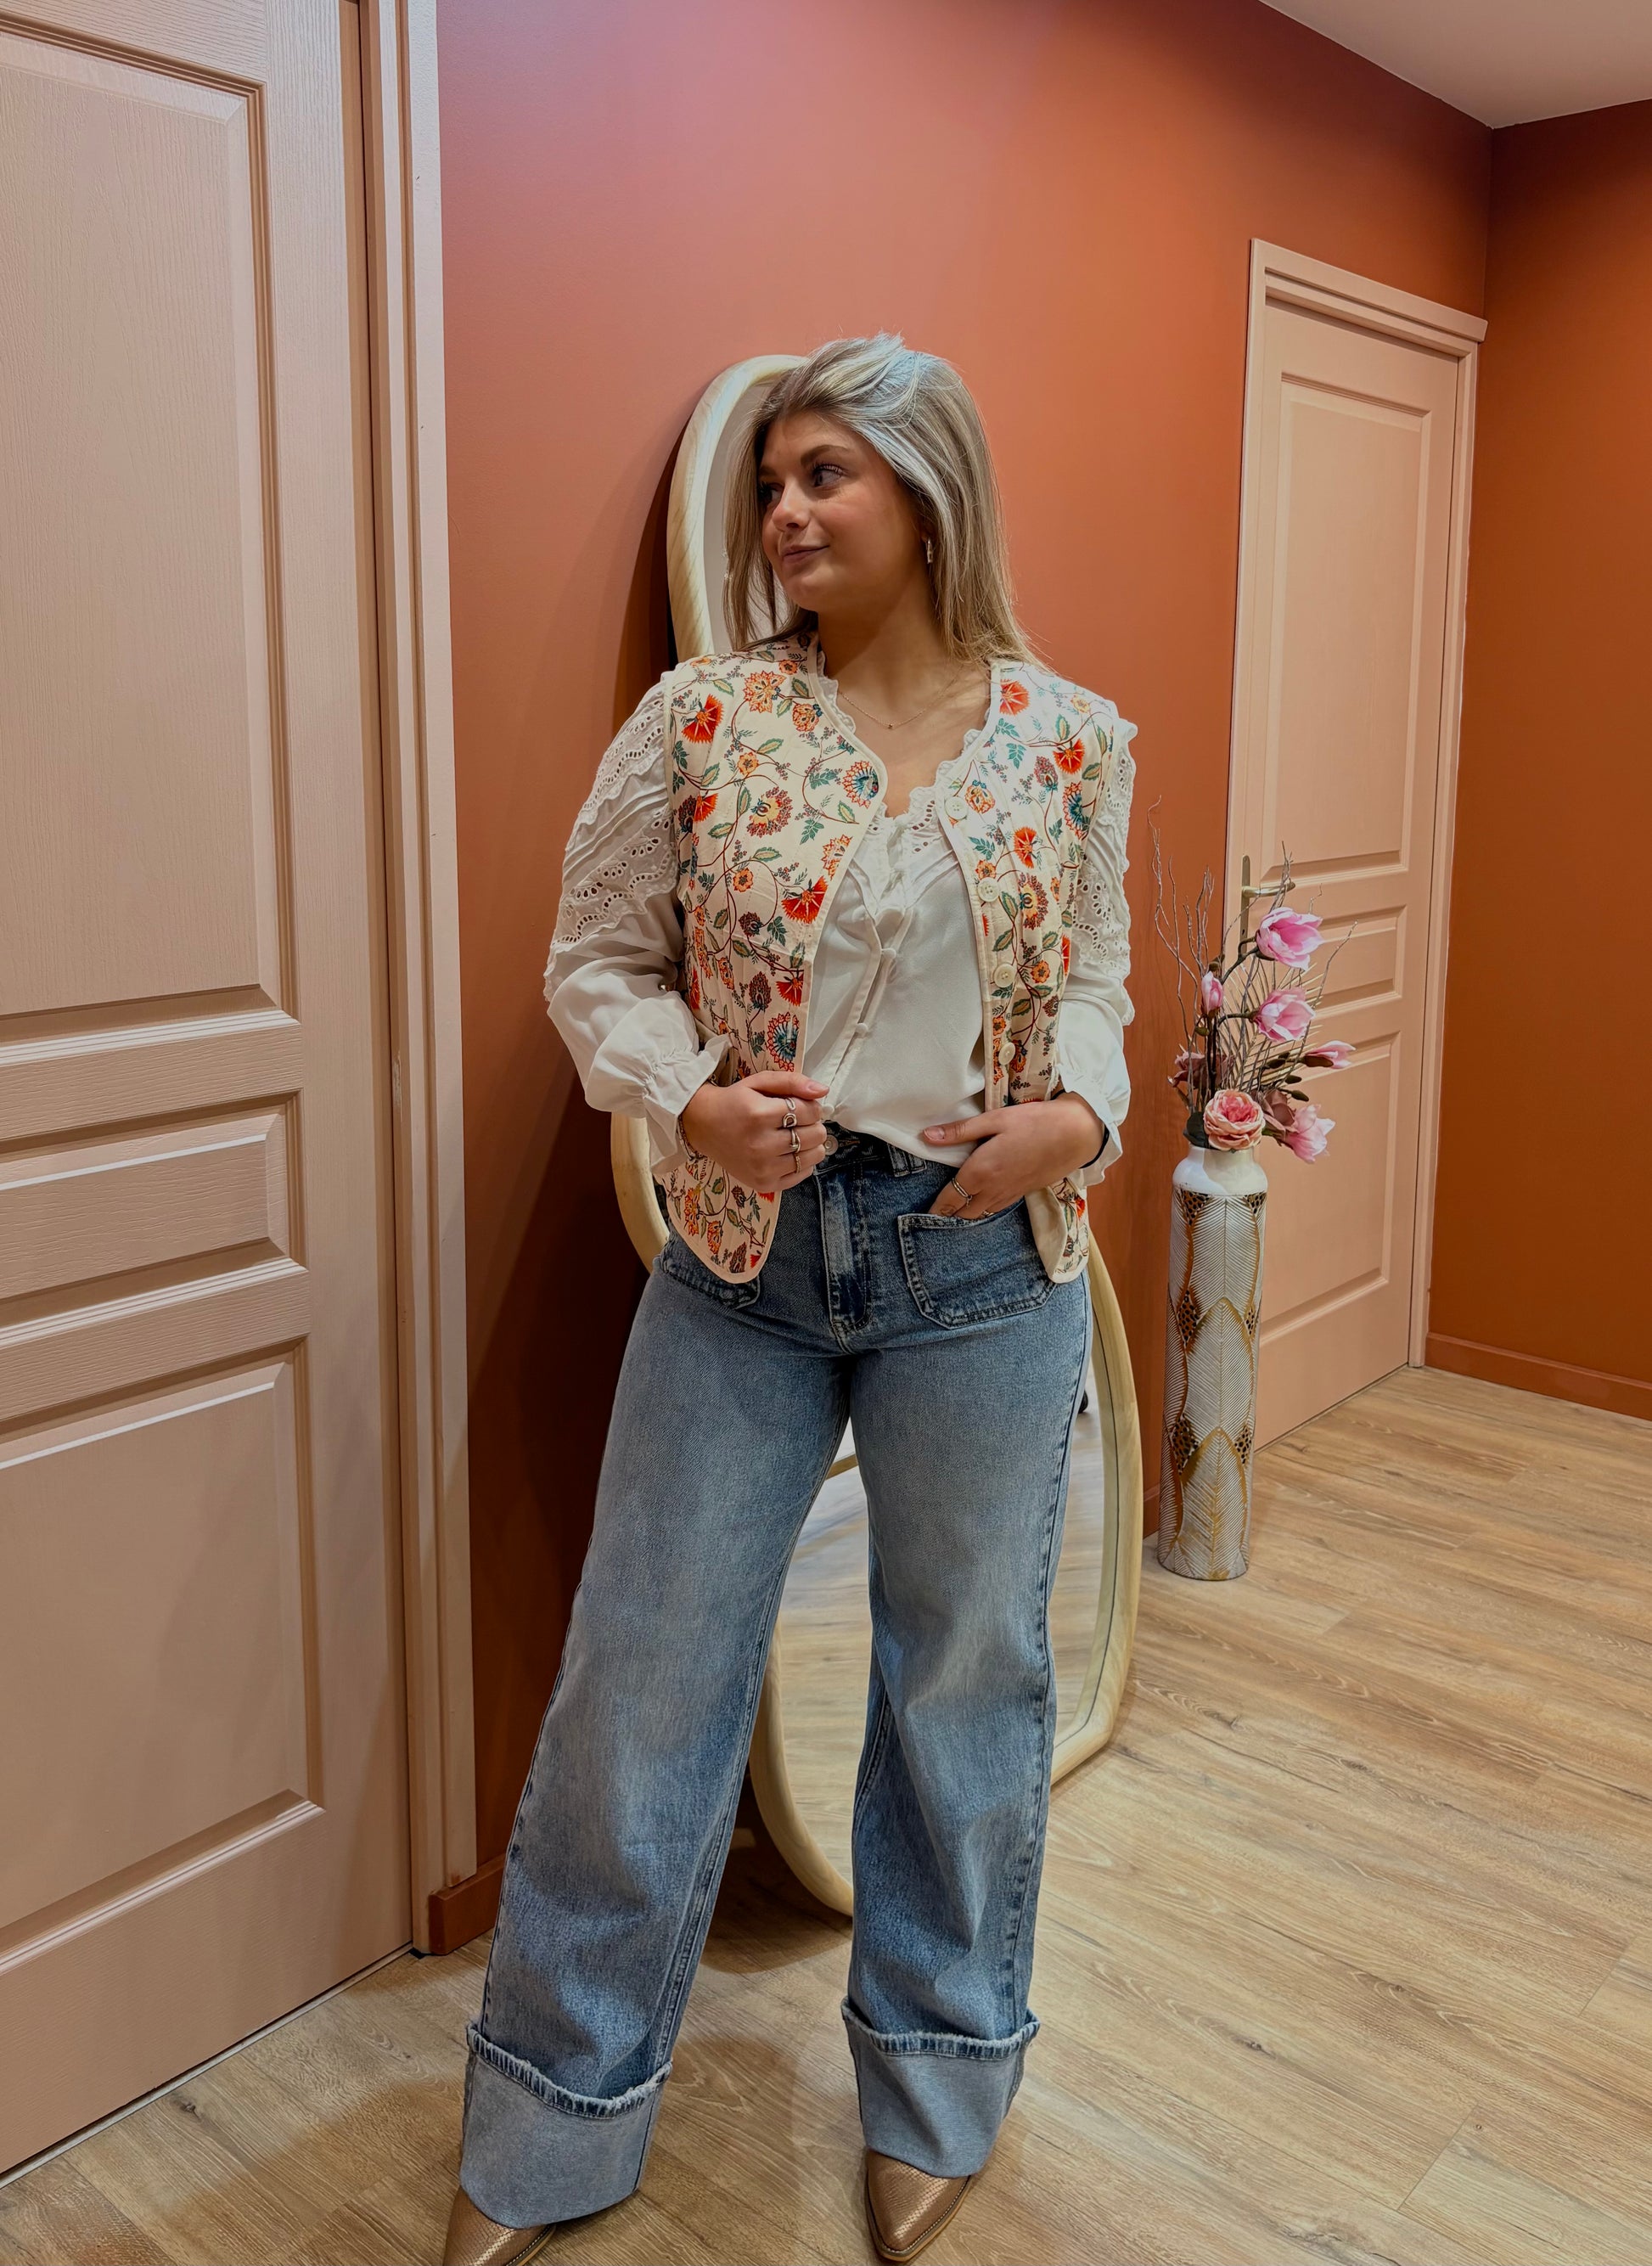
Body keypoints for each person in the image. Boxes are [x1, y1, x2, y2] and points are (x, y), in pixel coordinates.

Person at [443, 334, 1138, 2266]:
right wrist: (687, 1098)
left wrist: (1076, 1116)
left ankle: (937, 2072)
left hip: (979, 1266)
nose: (782, 514)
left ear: (928, 487)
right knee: (639, 1687)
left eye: (824, 473)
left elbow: (1094, 977)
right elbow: (596, 966)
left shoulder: (1071, 739)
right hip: (744, 1266)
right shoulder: (703, 721)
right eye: (768, 483)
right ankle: (553, 2114)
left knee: (961, 1685)